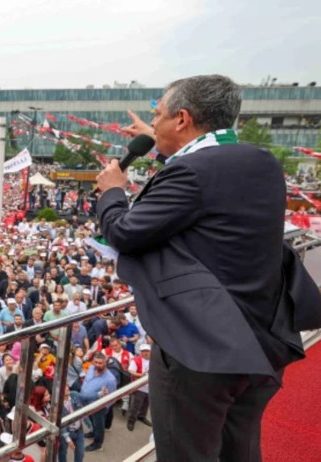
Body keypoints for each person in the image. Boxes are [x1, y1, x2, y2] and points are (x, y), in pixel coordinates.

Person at [98, 74, 321, 461]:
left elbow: (124, 232)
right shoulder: (260, 161)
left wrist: (113, 190)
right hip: (260, 341)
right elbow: (204, 181)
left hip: (201, 352)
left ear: (182, 119)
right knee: (241, 450)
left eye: (158, 115)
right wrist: (157, 145)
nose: (153, 124)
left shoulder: (192, 174)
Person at [77, 353, 116, 452]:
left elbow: (112, 397)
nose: (98, 365)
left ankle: (98, 444)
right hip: (86, 402)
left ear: (105, 363)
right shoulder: (90, 368)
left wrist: (104, 409)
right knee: (91, 420)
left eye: (100, 363)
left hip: (99, 407)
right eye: (96, 362)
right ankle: (93, 432)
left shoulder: (110, 379)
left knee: (99, 425)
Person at [126, 343, 152, 431]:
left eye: (147, 351)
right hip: (140, 386)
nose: (146, 353)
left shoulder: (154, 360)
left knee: (146, 403)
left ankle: (142, 416)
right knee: (136, 405)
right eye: (144, 351)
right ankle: (131, 420)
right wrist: (141, 375)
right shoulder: (136, 360)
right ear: (140, 352)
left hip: (150, 387)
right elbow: (130, 370)